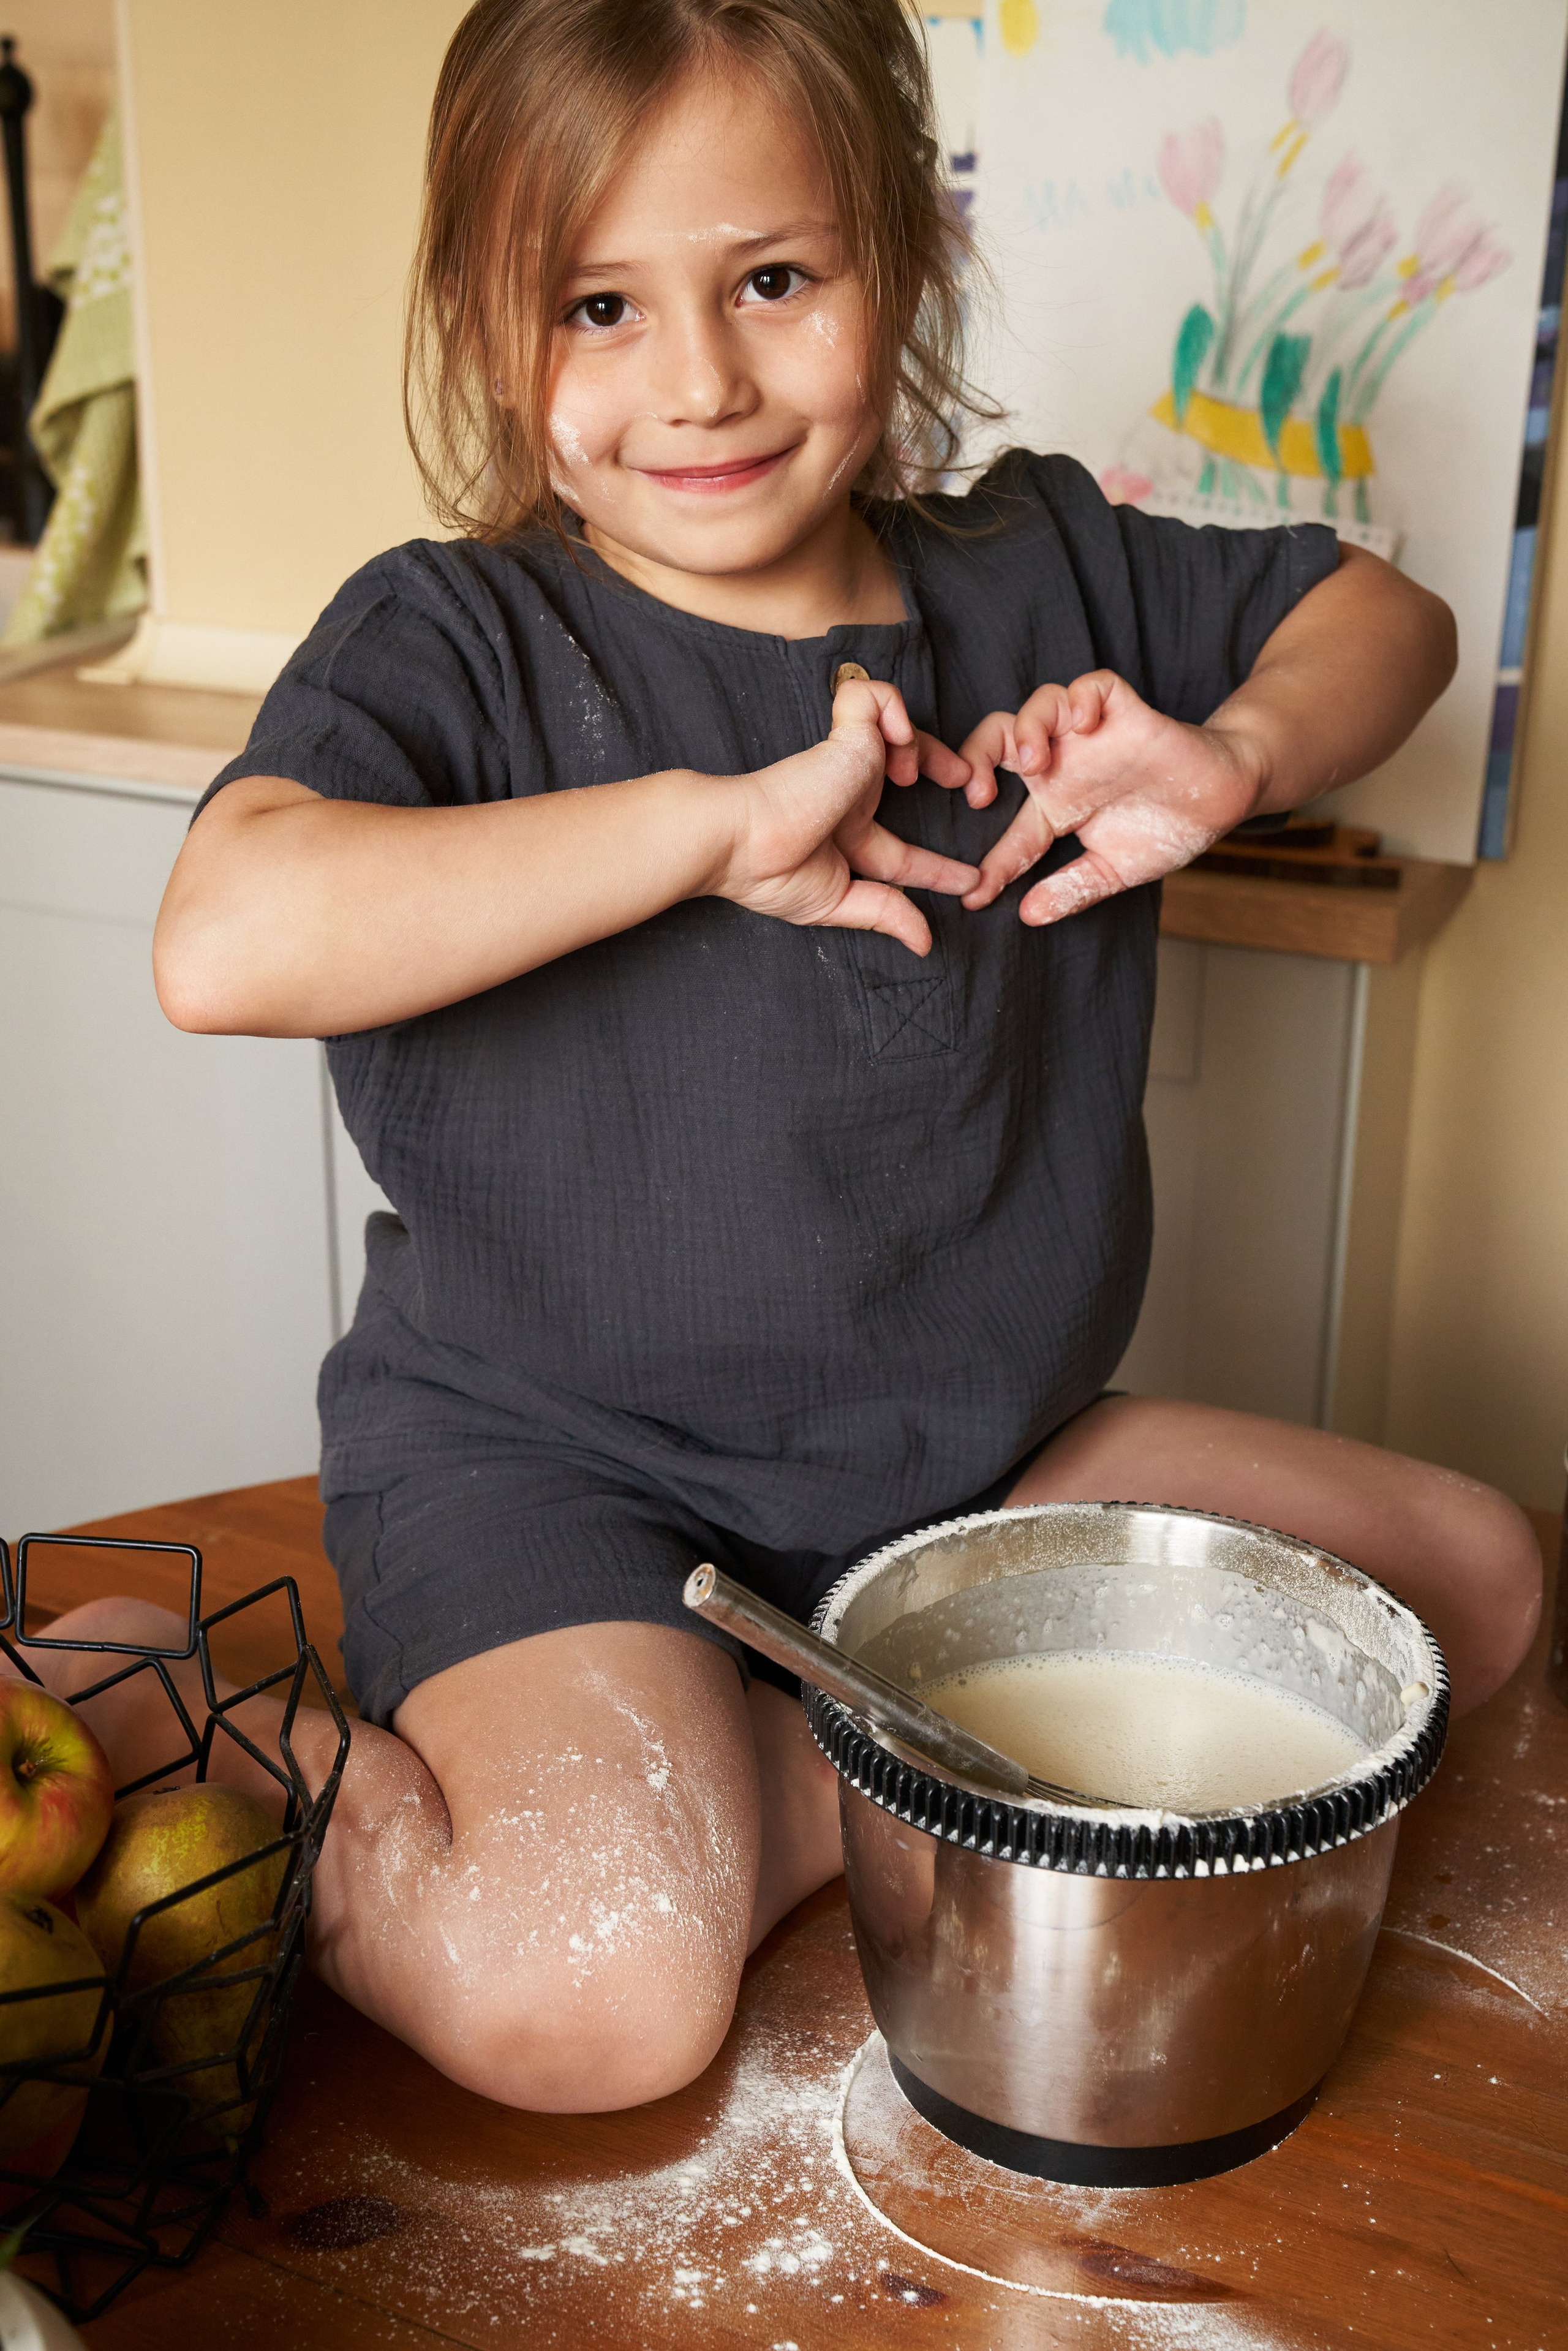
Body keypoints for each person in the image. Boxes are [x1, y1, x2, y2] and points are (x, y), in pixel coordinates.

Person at [47, 0, 1539, 2114]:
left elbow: (1382, 614)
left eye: (773, 279)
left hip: (978, 1463)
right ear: (491, 334)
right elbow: (227, 936)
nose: (703, 382)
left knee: (1469, 1595)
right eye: (598, 304)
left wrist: (1237, 754)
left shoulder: (1042, 565)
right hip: (573, 1484)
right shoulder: (463, 638)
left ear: (896, 271)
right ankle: (186, 1713)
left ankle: (835, 1743)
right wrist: (700, 830)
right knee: (597, 2004)